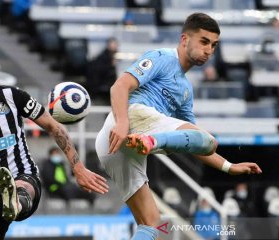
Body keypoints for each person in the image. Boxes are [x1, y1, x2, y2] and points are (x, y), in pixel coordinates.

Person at [95, 13, 262, 240]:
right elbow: (119, 86)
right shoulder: (162, 57)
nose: (209, 50)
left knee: (151, 223)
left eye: (214, 45)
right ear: (184, 39)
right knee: (210, 140)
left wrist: (229, 167)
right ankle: (150, 142)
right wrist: (124, 124)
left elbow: (193, 143)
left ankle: (149, 142)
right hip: (128, 121)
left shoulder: (185, 91)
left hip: (113, 147)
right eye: (204, 42)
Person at [0, 51, 108, 240]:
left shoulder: (11, 96)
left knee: (21, 187)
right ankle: (7, 203)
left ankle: (15, 203)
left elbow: (53, 126)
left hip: (23, 175)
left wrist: (77, 166)